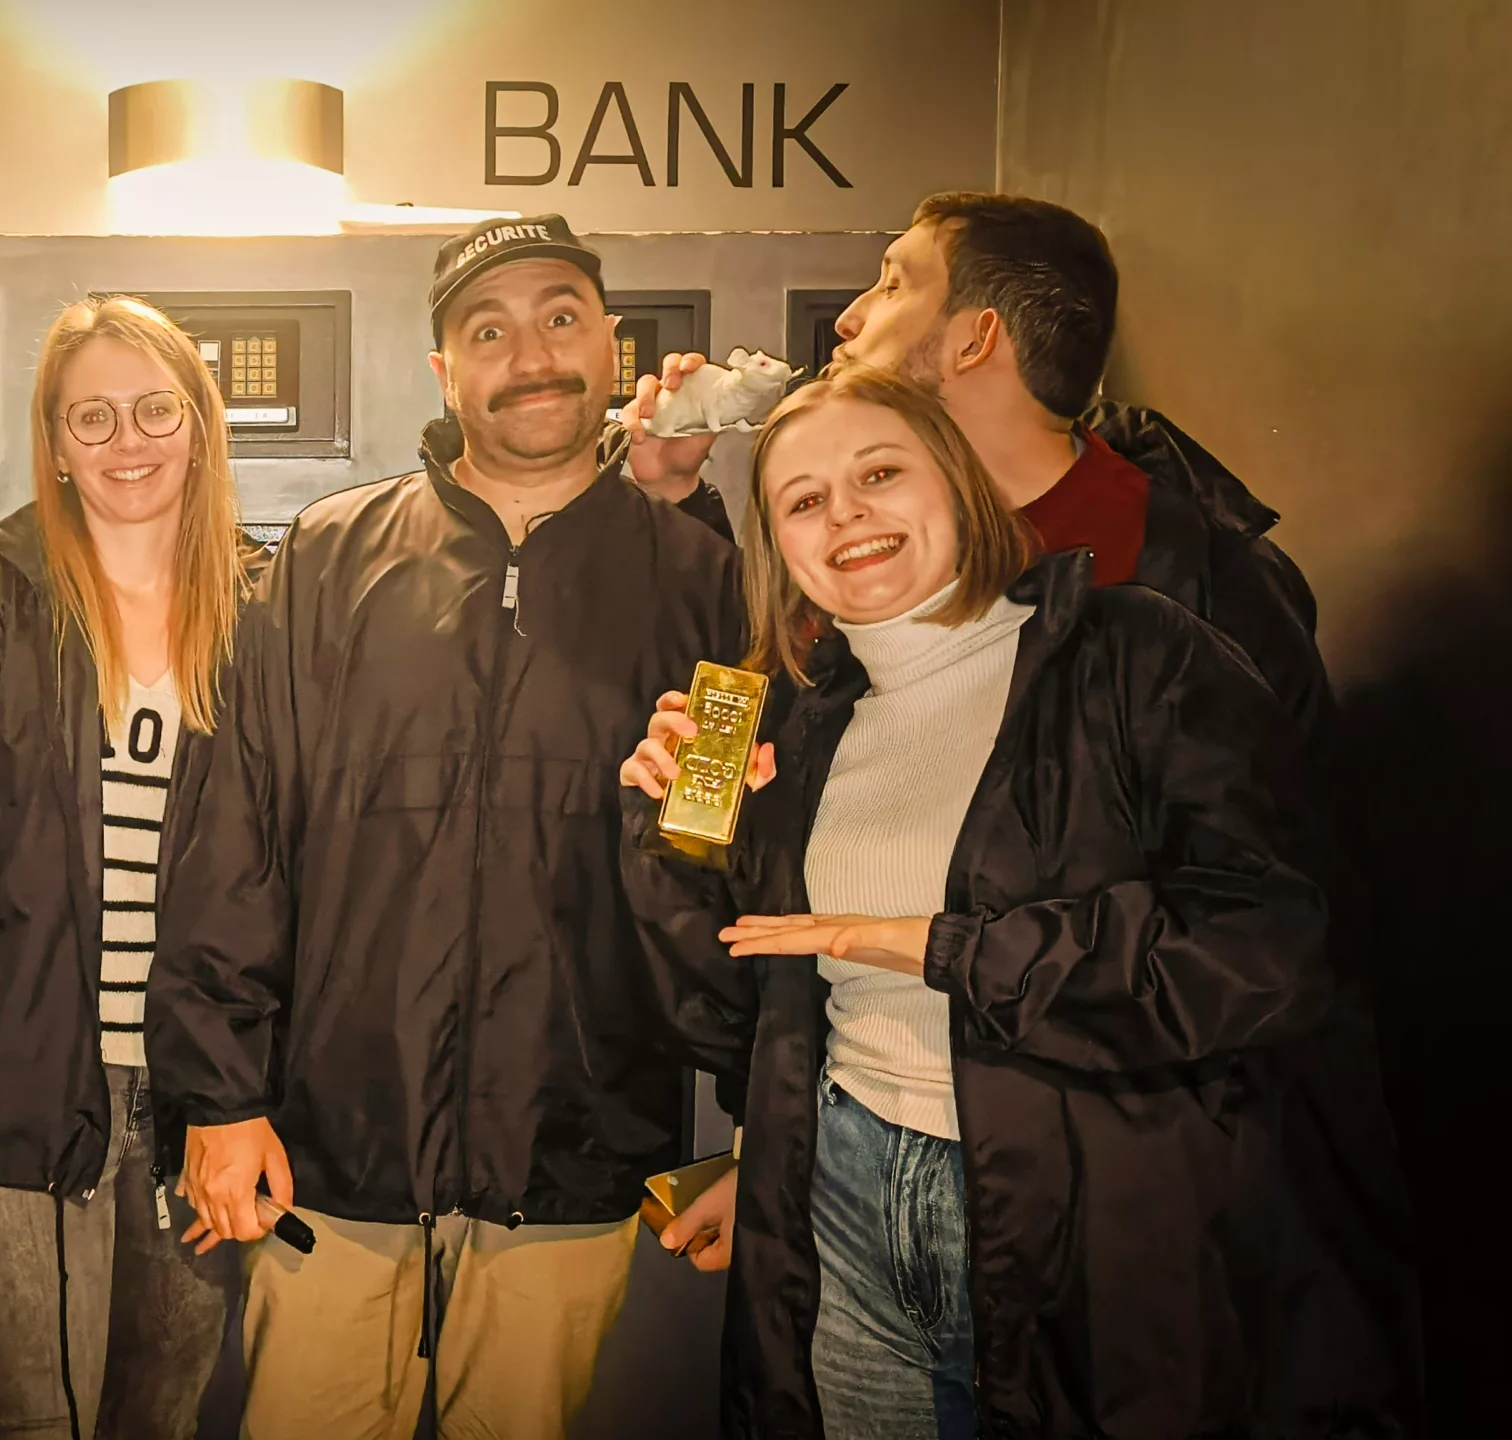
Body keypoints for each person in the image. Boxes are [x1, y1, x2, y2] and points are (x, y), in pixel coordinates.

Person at [620, 365, 1418, 1436]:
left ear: (956, 483)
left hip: (1090, 1225)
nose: (844, 513)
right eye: (803, 500)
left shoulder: (1136, 654)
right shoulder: (804, 727)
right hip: (842, 1199)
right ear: (779, 550)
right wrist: (667, 841)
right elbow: (725, 1010)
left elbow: (1273, 945)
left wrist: (949, 949)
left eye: (879, 473)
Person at [147, 214, 746, 1440]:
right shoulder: (327, 557)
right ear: (442, 369)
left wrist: (761, 1134)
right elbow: (233, 843)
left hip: (572, 1152)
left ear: (613, 347)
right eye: (488, 331)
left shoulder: (701, 583)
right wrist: (218, 1097)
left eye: (560, 319)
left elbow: (739, 877)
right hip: (330, 1158)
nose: (530, 356)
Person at [0, 295, 266, 1438]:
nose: (126, 440)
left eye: (154, 409)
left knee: (159, 1419)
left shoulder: (266, 610)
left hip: (198, 1105)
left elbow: (284, 881)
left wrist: (246, 1095)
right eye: (92, 416)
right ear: (53, 444)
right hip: (14, 1095)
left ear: (199, 422)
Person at [627, 191, 1334, 764]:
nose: (847, 319)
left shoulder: (1209, 588)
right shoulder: (867, 546)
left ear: (975, 340)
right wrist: (676, 495)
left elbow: (1270, 868)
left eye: (893, 285)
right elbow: (753, 693)